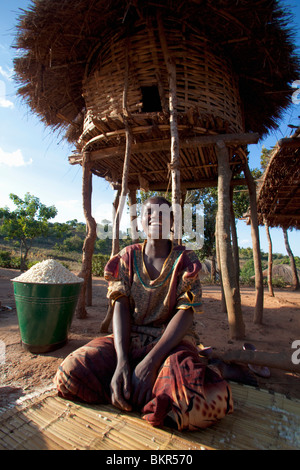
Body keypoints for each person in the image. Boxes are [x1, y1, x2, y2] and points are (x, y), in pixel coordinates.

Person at [54, 196, 233, 431]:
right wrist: (121, 362)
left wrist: (151, 362)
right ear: (140, 221)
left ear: (172, 222)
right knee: (69, 374)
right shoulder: (126, 257)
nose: (154, 217)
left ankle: (146, 388)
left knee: (200, 404)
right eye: (148, 212)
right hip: (130, 339)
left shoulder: (185, 260)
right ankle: (141, 393)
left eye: (162, 213)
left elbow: (186, 312)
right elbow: (121, 306)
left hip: (170, 345)